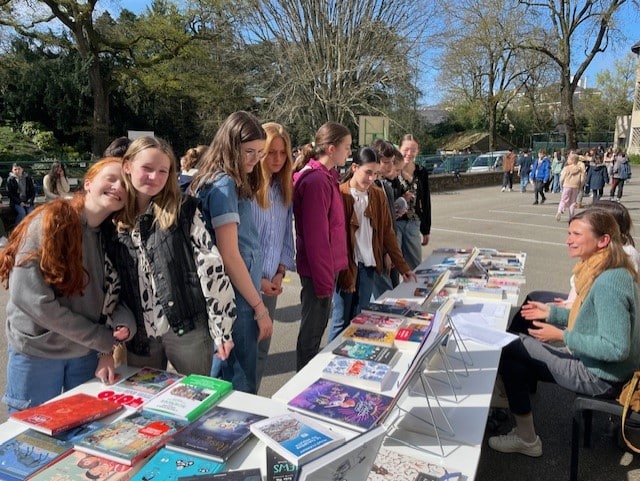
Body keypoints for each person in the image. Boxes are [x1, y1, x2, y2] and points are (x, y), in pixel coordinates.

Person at [490, 208, 640, 457]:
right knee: (515, 353)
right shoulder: (606, 269)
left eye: (577, 234)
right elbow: (589, 318)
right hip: (603, 369)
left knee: (510, 345)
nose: (568, 240)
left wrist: (562, 336)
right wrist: (551, 314)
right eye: (568, 232)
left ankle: (525, 434)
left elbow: (616, 347)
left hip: (601, 378)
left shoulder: (609, 282)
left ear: (603, 240)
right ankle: (521, 423)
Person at [0, 157, 136, 411]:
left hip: (84, 354)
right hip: (38, 353)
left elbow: (115, 297)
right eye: (111, 178)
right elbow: (32, 299)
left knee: (81, 434)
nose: (119, 186)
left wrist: (121, 327)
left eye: (126, 183)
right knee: (32, 440)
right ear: (88, 183)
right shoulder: (52, 221)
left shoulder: (113, 236)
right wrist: (100, 338)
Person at [104, 136, 236, 378]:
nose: (155, 177)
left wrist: (222, 329)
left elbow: (211, 268)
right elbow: (110, 284)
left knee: (199, 396)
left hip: (188, 331)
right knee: (144, 406)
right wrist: (104, 344)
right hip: (140, 339)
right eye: (147, 168)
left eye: (163, 171)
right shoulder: (112, 220)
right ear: (127, 167)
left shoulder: (184, 210)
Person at [191, 111, 272, 394]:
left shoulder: (213, 178)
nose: (255, 159)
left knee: (223, 374)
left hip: (233, 291)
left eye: (260, 153)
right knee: (238, 380)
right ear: (230, 146)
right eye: (249, 151)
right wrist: (260, 309)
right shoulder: (224, 183)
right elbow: (230, 254)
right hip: (236, 299)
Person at [328, 146, 417, 341]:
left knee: (360, 318)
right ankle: (329, 359)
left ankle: (351, 358)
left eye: (375, 174)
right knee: (340, 320)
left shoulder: (377, 195)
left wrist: (403, 267)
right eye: (368, 172)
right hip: (345, 268)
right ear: (354, 168)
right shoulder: (340, 194)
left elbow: (387, 233)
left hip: (368, 266)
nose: (371, 179)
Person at [292, 122, 350, 370]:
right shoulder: (316, 181)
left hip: (324, 270)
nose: (349, 152)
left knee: (315, 331)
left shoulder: (325, 178)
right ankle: (301, 388)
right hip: (319, 272)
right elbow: (317, 238)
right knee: (312, 335)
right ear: (331, 148)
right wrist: (325, 281)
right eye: (346, 147)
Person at [251, 122, 295, 390]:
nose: (277, 159)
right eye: (270, 152)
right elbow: (236, 247)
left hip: (271, 285)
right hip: (246, 286)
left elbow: (285, 237)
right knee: (238, 355)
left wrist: (280, 271)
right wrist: (257, 281)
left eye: (282, 152)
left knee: (260, 353)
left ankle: (251, 401)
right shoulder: (247, 191)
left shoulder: (283, 191)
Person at [395, 134, 431, 269]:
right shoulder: (392, 171)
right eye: (406, 149)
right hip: (395, 223)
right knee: (393, 266)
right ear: (399, 149)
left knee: (415, 266)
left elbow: (426, 201)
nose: (409, 153)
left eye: (413, 150)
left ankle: (414, 290)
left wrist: (426, 229)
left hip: (413, 222)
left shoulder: (421, 172)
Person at [371, 140, 402, 298]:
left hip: (390, 250)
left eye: (392, 162)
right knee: (385, 297)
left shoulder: (385, 186)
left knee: (393, 293)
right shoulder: (371, 188)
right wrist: (386, 253)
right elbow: (377, 227)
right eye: (386, 162)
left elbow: (391, 224)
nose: (390, 165)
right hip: (380, 254)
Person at [555, 152, 586, 222]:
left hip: (567, 185)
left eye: (568, 159)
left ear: (572, 160)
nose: (567, 160)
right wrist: (580, 186)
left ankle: (560, 210)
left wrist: (561, 184)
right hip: (575, 186)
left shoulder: (566, 168)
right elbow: (582, 179)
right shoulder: (580, 169)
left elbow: (562, 178)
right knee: (572, 202)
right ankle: (571, 216)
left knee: (563, 199)